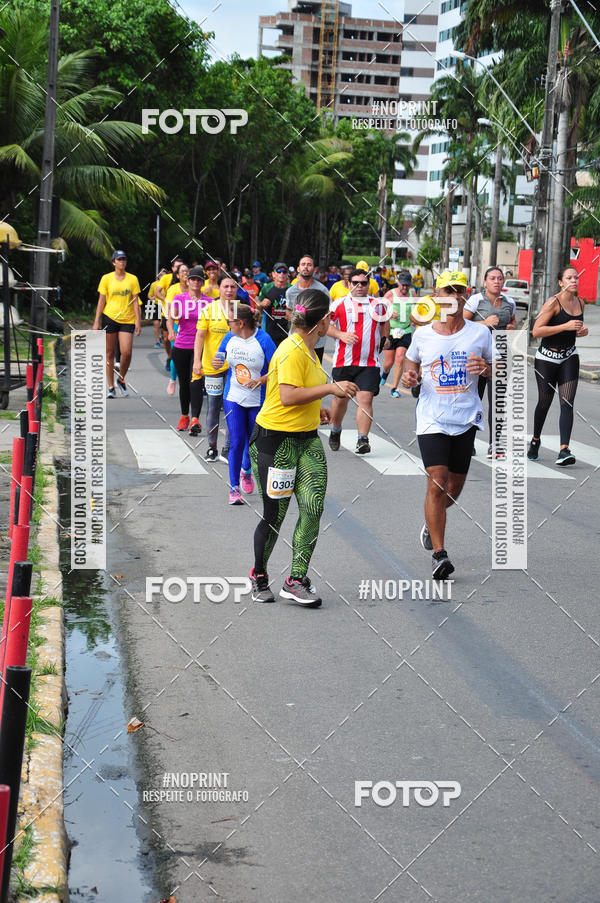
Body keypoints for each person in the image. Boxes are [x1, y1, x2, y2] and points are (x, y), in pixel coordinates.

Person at [249, 289, 358, 606]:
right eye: (330, 320)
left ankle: (296, 579)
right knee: (275, 515)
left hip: (307, 439)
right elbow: (287, 397)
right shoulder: (292, 349)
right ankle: (259, 575)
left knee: (312, 508)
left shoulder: (309, 349)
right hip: (276, 441)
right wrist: (331, 388)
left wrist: (317, 409)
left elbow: (301, 394)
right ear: (323, 321)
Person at [401, 270, 494, 578]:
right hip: (432, 418)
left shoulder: (479, 333)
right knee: (437, 482)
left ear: (465, 295)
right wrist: (409, 375)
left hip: (466, 418)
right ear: (436, 296)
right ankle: (440, 554)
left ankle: (431, 521)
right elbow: (410, 363)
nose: (452, 295)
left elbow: (500, 368)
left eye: (458, 290)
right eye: (446, 290)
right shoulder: (423, 334)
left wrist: (486, 368)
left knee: (452, 489)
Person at [211, 304, 276, 504]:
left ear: (241, 323)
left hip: (257, 399)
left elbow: (277, 369)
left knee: (252, 441)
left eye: (230, 321)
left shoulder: (263, 339)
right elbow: (220, 356)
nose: (227, 324)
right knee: (237, 440)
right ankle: (234, 488)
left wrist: (259, 380)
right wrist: (216, 361)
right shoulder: (229, 337)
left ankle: (246, 470)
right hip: (233, 396)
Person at [528, 266, 588, 466]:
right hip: (547, 358)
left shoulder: (580, 303)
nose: (574, 280)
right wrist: (566, 326)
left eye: (576, 277)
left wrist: (578, 333)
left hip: (569, 356)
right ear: (561, 283)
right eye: (569, 277)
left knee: (567, 402)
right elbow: (536, 331)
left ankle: (564, 450)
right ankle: (535, 439)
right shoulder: (552, 303)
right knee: (544, 402)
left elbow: (572, 330)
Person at [327, 268, 390, 455]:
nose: (360, 286)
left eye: (363, 283)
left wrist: (385, 338)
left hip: (369, 362)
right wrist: (341, 334)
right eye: (356, 283)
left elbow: (384, 322)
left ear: (369, 285)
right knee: (341, 401)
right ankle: (335, 429)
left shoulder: (378, 305)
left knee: (365, 398)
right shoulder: (339, 304)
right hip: (343, 362)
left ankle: (363, 439)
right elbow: (325, 327)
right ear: (349, 284)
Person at [464, 266, 517, 457]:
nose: (497, 281)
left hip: (500, 357)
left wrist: (511, 326)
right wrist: (484, 323)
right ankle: (467, 441)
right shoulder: (476, 300)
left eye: (500, 278)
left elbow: (512, 321)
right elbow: (461, 323)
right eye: (492, 278)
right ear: (485, 282)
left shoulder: (509, 302)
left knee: (497, 401)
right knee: (473, 399)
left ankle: (495, 444)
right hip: (478, 356)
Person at [193, 275, 237, 461]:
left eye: (232, 287)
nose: (229, 290)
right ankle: (212, 448)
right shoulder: (209, 309)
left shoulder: (240, 311)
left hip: (235, 368)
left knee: (232, 408)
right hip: (213, 367)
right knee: (213, 407)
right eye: (225, 286)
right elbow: (200, 337)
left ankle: (228, 447)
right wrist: (197, 361)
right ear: (219, 288)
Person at [168, 266, 212, 434]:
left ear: (202, 282)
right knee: (184, 383)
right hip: (181, 345)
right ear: (188, 281)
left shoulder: (208, 302)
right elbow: (170, 316)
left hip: (199, 347)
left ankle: (195, 419)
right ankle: (184, 415)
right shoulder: (179, 298)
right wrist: (171, 330)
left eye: (199, 279)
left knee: (196, 382)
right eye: (193, 279)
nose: (195, 281)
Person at [94, 250, 141, 398]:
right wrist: (96, 321)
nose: (122, 262)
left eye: (124, 259)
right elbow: (101, 300)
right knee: (109, 353)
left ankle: (121, 379)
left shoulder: (132, 279)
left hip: (127, 319)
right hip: (110, 317)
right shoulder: (106, 279)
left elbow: (135, 301)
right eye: (119, 259)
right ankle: (110, 386)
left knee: (126, 352)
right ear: (113, 262)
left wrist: (138, 320)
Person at [285, 254, 331, 362]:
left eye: (309, 265)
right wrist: (300, 319)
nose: (306, 267)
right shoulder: (290, 291)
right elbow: (288, 312)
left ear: (314, 269)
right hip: (296, 340)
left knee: (315, 376)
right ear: (298, 268)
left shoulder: (322, 290)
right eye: (303, 264)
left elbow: (327, 315)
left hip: (316, 343)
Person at [383, 272, 418, 397]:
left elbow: (417, 310)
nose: (405, 288)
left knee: (400, 358)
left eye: (407, 285)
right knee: (388, 362)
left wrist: (415, 318)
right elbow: (379, 310)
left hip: (406, 331)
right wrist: (389, 313)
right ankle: (385, 372)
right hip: (391, 331)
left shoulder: (412, 294)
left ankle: (394, 388)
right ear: (398, 283)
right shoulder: (390, 294)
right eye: (403, 285)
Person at [165, 264, 190, 395]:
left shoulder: (194, 288)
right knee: (176, 354)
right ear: (178, 275)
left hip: (192, 326)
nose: (186, 273)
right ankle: (173, 379)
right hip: (176, 324)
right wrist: (170, 329)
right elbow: (169, 309)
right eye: (183, 271)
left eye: (187, 271)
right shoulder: (173, 289)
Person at [155, 257, 184, 371]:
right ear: (172, 268)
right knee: (167, 339)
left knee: (179, 338)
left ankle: (179, 360)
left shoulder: (186, 279)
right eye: (176, 266)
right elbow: (157, 291)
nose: (178, 269)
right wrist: (166, 299)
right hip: (167, 312)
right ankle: (169, 356)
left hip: (182, 315)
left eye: (181, 267)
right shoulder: (166, 278)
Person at [256, 263, 291, 347]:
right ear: (273, 274)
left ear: (287, 275)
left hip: (287, 331)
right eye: (278, 271)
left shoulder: (292, 289)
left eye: (284, 271)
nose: (281, 274)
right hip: (269, 330)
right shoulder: (266, 288)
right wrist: (262, 304)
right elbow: (257, 308)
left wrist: (291, 312)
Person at [147, 268, 167, 347]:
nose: (162, 276)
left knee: (163, 325)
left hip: (165, 305)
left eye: (164, 275)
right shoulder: (154, 284)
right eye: (161, 275)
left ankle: (163, 335)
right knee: (156, 324)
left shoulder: (169, 284)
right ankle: (157, 342)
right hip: (156, 305)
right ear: (158, 276)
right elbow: (149, 295)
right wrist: (152, 298)